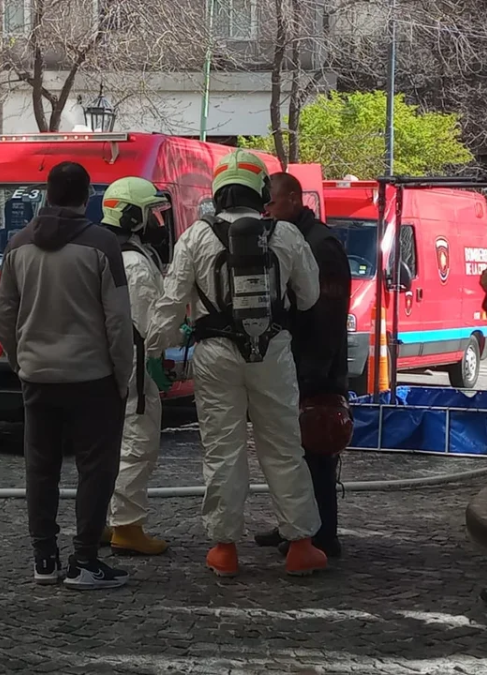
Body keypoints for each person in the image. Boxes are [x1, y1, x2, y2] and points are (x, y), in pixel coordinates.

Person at [145, 149, 328, 578]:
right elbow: (310, 296)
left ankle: (224, 550)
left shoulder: (196, 236)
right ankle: (301, 546)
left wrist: (153, 349)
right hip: (273, 352)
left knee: (222, 451)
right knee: (284, 447)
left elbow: (170, 303)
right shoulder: (285, 234)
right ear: (261, 191)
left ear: (218, 192)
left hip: (215, 355)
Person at [0, 161, 133, 590]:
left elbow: (3, 314)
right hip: (92, 376)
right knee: (96, 469)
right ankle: (85, 560)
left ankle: (45, 557)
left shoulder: (18, 244)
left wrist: (20, 361)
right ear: (86, 196)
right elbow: (118, 319)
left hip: (37, 375)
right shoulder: (102, 244)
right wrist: (121, 375)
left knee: (40, 469)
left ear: (47, 193)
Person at [254, 172, 352, 559]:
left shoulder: (320, 244)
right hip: (297, 360)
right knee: (292, 450)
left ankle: (323, 534)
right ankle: (294, 525)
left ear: (294, 199)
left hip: (315, 367)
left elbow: (328, 315)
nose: (266, 210)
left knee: (317, 450)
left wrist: (314, 371)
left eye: (272, 202)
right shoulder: (292, 237)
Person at [100, 176, 173, 556]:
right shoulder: (136, 265)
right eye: (151, 214)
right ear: (133, 217)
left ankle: (101, 519)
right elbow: (149, 329)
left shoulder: (96, 251)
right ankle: (127, 526)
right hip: (133, 366)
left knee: (102, 447)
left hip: (97, 365)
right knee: (136, 444)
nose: (157, 223)